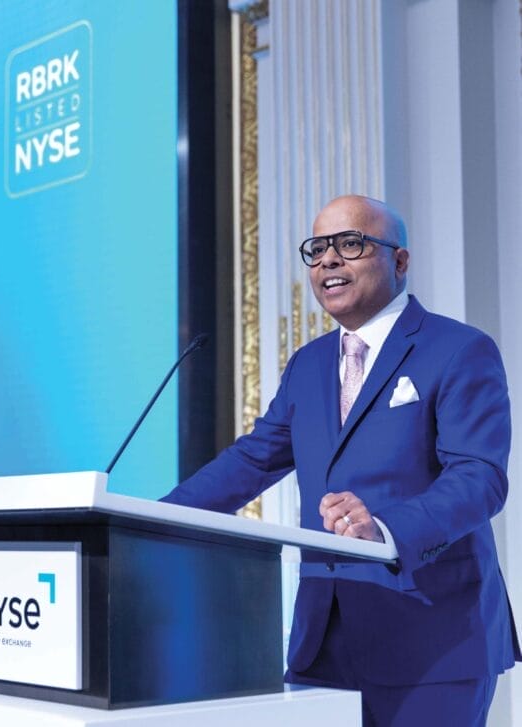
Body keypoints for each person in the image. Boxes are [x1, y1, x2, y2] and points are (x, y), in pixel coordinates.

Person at [162, 195, 520, 726]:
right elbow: (254, 460)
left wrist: (385, 528)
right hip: (322, 644)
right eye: (318, 249)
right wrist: (151, 518)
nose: (329, 260)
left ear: (399, 261)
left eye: (351, 244)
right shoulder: (308, 365)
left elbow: (480, 477)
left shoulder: (458, 349)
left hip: (432, 639)